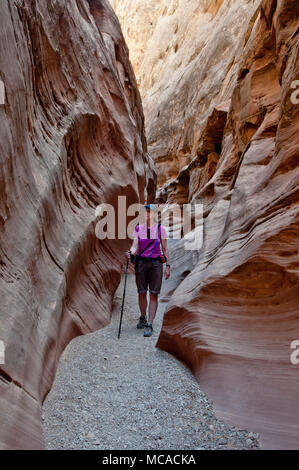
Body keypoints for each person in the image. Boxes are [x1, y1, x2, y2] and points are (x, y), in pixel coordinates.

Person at [125, 204, 170, 337]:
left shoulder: (161, 229)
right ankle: (143, 317)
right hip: (141, 263)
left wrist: (168, 266)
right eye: (145, 212)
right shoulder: (138, 228)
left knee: (153, 294)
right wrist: (130, 252)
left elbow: (165, 249)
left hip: (156, 264)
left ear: (155, 215)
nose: (146, 214)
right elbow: (134, 246)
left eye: (149, 212)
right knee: (142, 292)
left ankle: (149, 324)